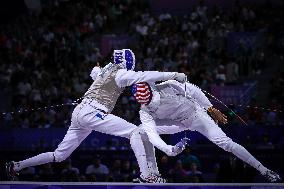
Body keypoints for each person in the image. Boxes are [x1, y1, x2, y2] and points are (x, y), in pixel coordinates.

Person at [5, 49, 187, 180]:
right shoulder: (120, 74)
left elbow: (95, 72)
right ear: (126, 63)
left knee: (59, 155)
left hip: (79, 113)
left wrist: (97, 69)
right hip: (93, 112)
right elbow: (144, 76)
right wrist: (174, 74)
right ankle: (146, 176)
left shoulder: (106, 70)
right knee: (135, 132)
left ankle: (16, 166)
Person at [130, 80, 281, 182]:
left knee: (225, 143)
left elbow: (194, 91)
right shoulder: (144, 112)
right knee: (139, 132)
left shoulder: (169, 84)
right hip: (176, 123)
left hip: (196, 115)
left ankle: (264, 170)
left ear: (152, 88)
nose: (152, 102)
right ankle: (152, 174)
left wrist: (211, 108)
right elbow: (153, 136)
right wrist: (170, 150)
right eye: (148, 102)